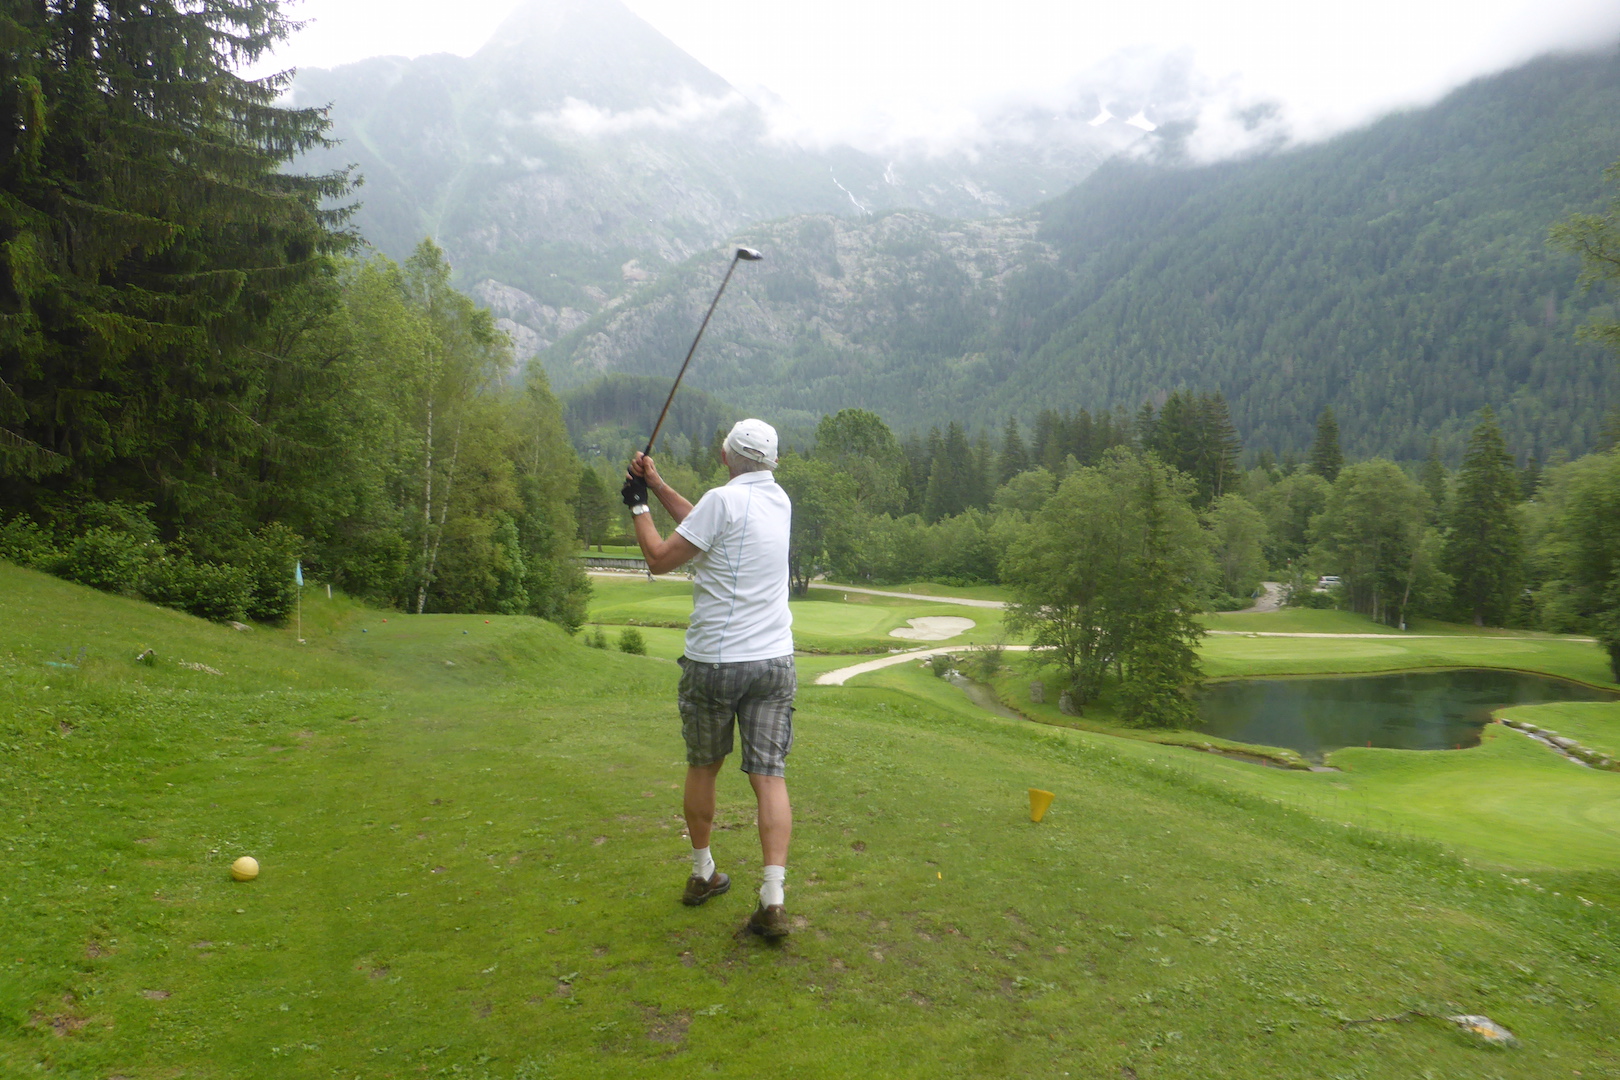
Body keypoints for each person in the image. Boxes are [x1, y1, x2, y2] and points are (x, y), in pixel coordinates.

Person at [622, 418, 796, 939]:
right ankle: (773, 897)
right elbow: (702, 522)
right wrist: (656, 483)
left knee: (704, 766)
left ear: (726, 458)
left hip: (716, 662)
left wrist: (637, 505)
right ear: (771, 461)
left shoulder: (722, 500)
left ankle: (703, 875)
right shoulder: (780, 500)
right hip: (774, 661)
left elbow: (659, 558)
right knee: (770, 776)